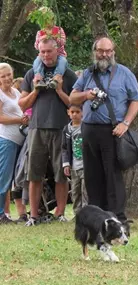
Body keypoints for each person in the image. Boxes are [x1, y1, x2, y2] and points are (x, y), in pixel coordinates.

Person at [69, 36, 138, 223]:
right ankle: (96, 215)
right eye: (101, 51)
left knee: (112, 174)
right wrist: (87, 95)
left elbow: (137, 99)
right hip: (89, 129)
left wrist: (125, 123)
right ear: (95, 52)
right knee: (92, 175)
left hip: (113, 130)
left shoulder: (124, 73)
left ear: (113, 52)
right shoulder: (87, 74)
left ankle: (117, 216)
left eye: (108, 51)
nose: (104, 55)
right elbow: (72, 98)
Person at [19, 38, 77, 226]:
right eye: (42, 52)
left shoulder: (68, 75)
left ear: (57, 51)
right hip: (36, 128)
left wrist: (59, 90)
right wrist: (36, 90)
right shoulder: (32, 73)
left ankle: (60, 213)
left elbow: (75, 104)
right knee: (34, 173)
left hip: (61, 128)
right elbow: (22, 104)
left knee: (62, 173)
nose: (46, 55)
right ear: (39, 53)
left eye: (49, 52)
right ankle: (34, 216)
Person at [0, 63, 29, 224]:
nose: (7, 78)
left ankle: (12, 213)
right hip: (6, 140)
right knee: (3, 178)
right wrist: (19, 119)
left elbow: (22, 110)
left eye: (8, 74)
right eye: (2, 76)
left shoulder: (16, 92)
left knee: (15, 178)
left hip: (20, 140)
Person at [32, 7, 68, 90]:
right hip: (43, 56)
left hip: (59, 54)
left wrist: (54, 37)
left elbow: (63, 42)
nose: (47, 23)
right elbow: (36, 46)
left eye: (49, 20)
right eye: (44, 21)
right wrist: (42, 38)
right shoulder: (40, 32)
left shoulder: (58, 30)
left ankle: (56, 78)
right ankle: (39, 78)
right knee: (37, 61)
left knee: (63, 62)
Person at [62, 104, 87, 215]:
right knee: (75, 192)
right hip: (74, 167)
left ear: (82, 112)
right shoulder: (67, 129)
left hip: (86, 166)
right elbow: (64, 148)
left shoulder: (86, 127)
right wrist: (66, 164)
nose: (75, 114)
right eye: (72, 112)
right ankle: (77, 214)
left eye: (77, 112)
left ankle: (87, 213)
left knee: (85, 191)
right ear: (68, 112)